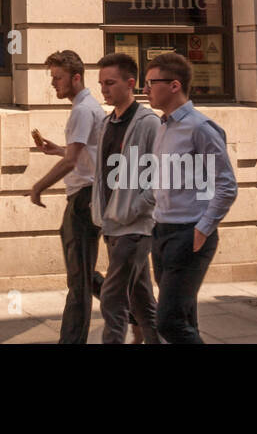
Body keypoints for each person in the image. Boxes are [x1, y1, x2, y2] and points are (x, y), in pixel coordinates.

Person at [144, 51, 237, 343]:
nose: (145, 90)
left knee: (169, 322)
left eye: (150, 83)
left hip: (189, 234)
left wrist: (202, 229)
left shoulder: (200, 128)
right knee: (183, 318)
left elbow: (226, 185)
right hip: (161, 232)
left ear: (174, 85)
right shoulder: (162, 125)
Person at [30, 50, 106, 343]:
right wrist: (58, 149)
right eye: (52, 77)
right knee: (83, 274)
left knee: (78, 281)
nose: (53, 84)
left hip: (84, 201)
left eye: (57, 77)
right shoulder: (88, 107)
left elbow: (73, 162)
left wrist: (39, 186)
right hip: (88, 197)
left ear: (75, 77)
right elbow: (85, 153)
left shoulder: (82, 110)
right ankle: (138, 314)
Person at [92, 52, 160, 344]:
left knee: (112, 297)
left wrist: (135, 208)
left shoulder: (148, 123)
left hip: (136, 228)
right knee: (142, 300)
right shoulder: (108, 123)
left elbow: (161, 178)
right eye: (101, 84)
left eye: (110, 83)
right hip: (113, 225)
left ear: (130, 83)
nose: (104, 90)